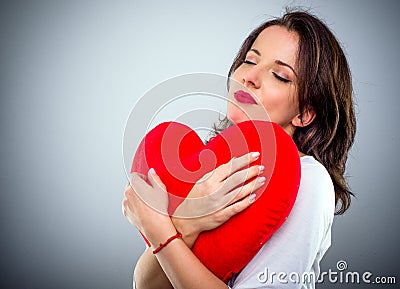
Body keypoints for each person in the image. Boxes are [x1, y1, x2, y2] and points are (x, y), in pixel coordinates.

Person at [122, 9, 356, 289]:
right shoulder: (209, 172)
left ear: (304, 114)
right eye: (249, 60)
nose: (250, 76)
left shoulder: (309, 181)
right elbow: (145, 285)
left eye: (280, 75)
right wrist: (187, 222)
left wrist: (161, 226)